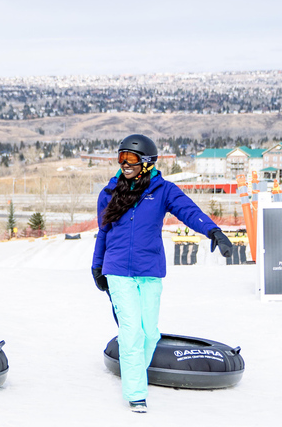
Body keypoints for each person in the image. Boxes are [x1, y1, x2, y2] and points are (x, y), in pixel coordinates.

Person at [91, 134, 232, 413]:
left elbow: (189, 212)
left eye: (131, 158)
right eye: (121, 157)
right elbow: (103, 232)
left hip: (150, 271)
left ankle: (133, 370)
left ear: (147, 162)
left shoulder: (163, 190)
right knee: (131, 333)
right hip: (118, 269)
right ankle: (136, 393)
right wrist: (97, 265)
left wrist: (214, 231)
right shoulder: (109, 193)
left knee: (150, 334)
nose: (124, 163)